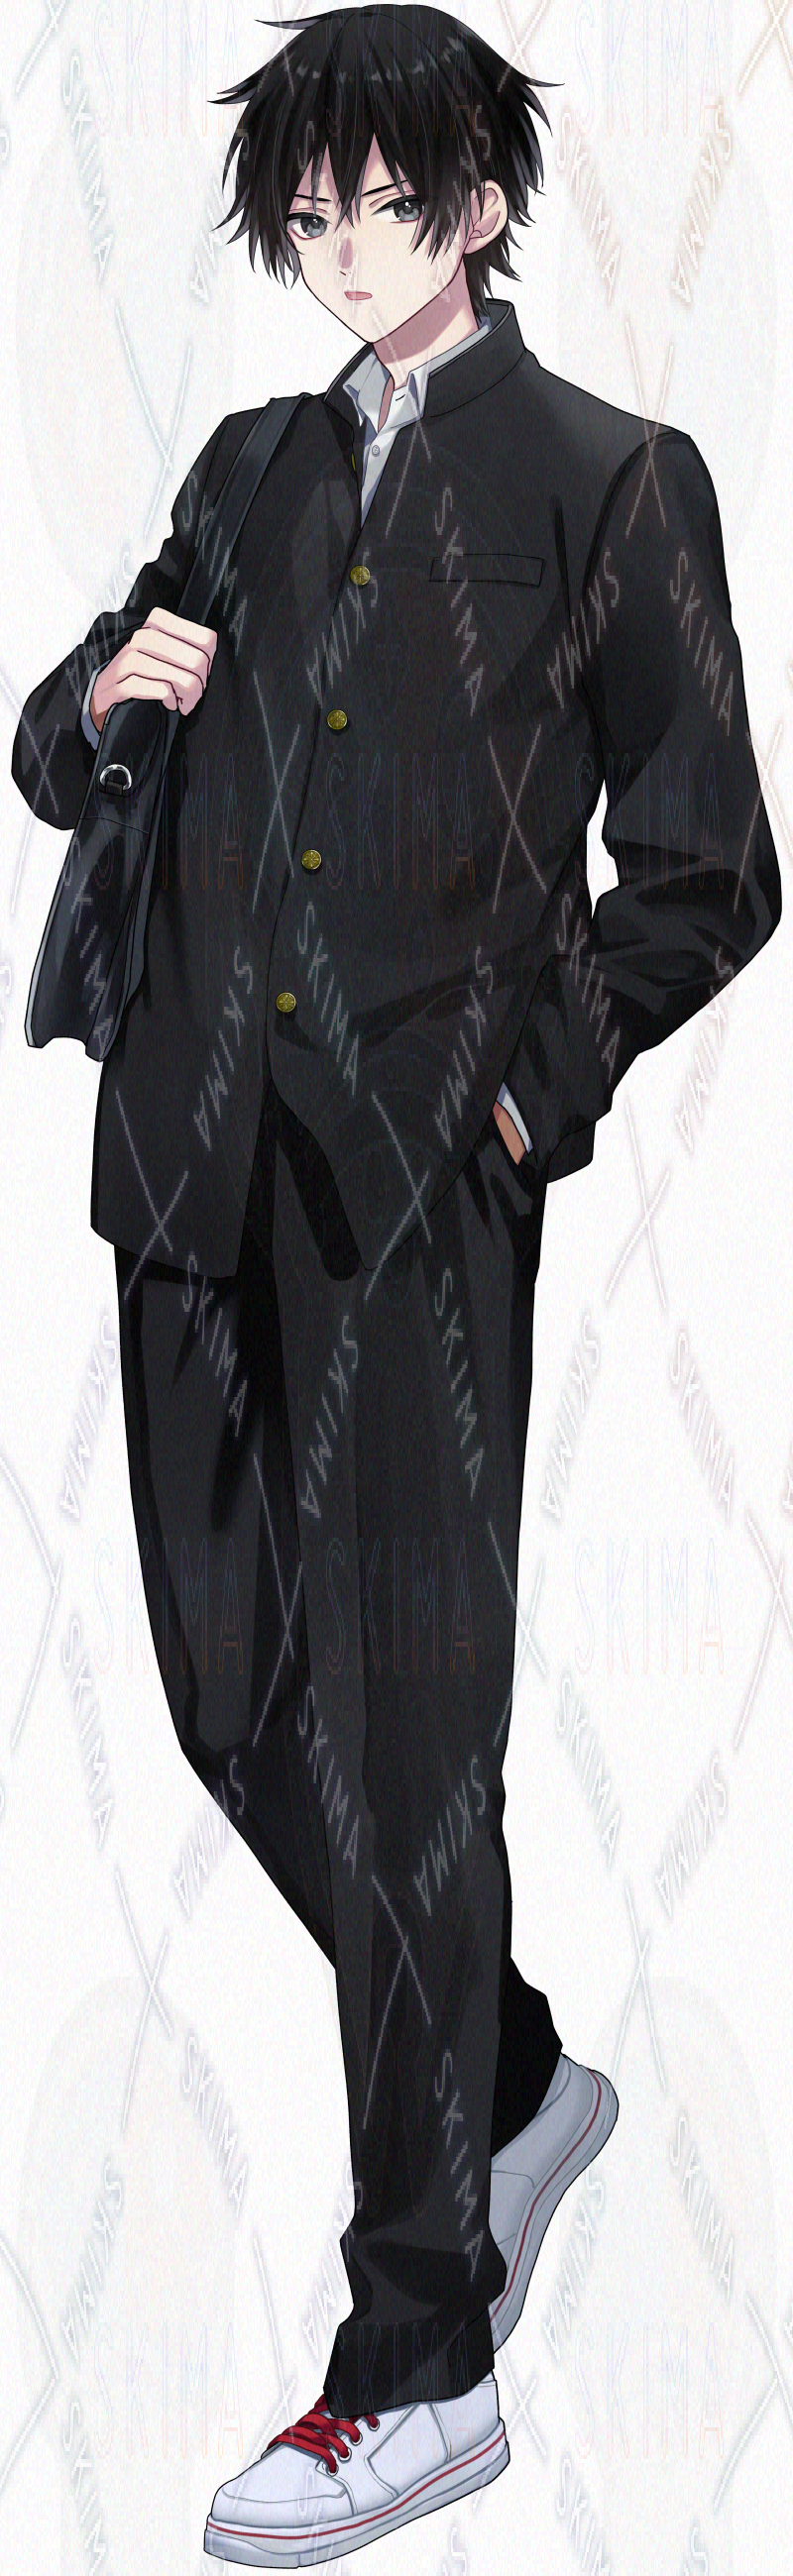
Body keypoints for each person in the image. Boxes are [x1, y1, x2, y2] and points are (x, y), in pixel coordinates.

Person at [10, 8, 782, 2563]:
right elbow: (73, 751)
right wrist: (91, 697)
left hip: (418, 1199)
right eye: (308, 212)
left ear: (482, 199)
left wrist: (524, 1098)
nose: (344, 250)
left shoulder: (608, 477)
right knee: (236, 1705)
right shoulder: (242, 469)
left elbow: (709, 866)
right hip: (189, 1161)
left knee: (412, 1751)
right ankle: (515, 2077)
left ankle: (420, 2357)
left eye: (387, 200)